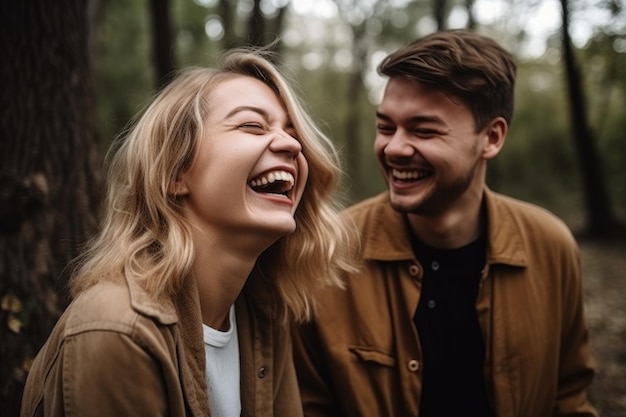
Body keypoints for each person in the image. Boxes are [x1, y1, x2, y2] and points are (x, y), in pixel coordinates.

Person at [21, 48, 356, 417]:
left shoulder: (263, 318)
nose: (293, 145)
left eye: (292, 133)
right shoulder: (117, 330)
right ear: (175, 174)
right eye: (252, 126)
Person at [292, 29, 599, 417]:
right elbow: (306, 404)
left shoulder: (550, 245)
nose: (395, 147)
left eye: (424, 130)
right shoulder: (328, 253)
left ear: (491, 137)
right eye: (386, 127)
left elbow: (569, 396)